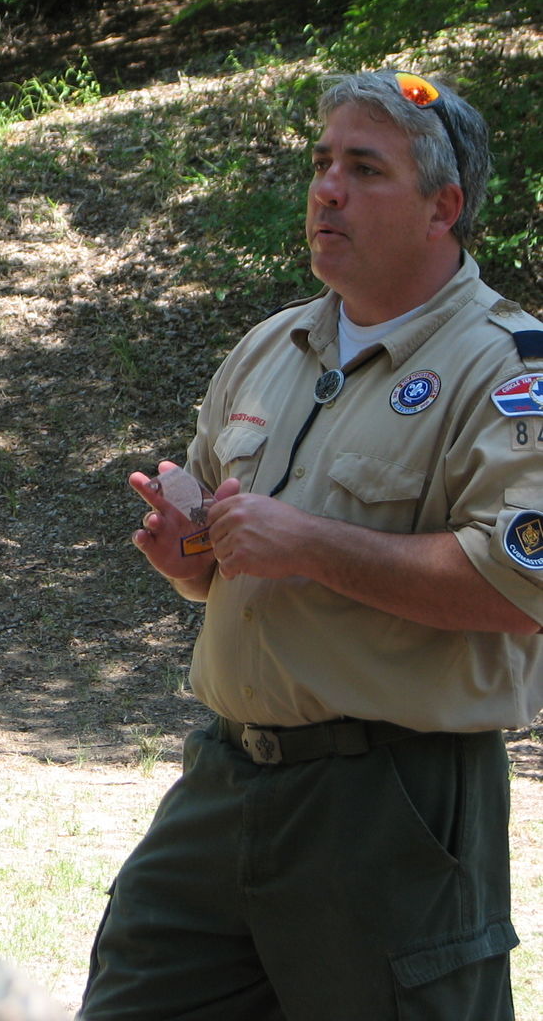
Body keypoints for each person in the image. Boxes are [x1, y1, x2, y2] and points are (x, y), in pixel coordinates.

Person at [79, 69, 543, 1020]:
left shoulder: (506, 367)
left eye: (364, 168)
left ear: (441, 207)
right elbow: (225, 562)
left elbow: (515, 587)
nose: (326, 189)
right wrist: (189, 558)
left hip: (392, 801)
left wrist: (310, 544)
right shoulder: (269, 347)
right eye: (322, 161)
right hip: (224, 776)